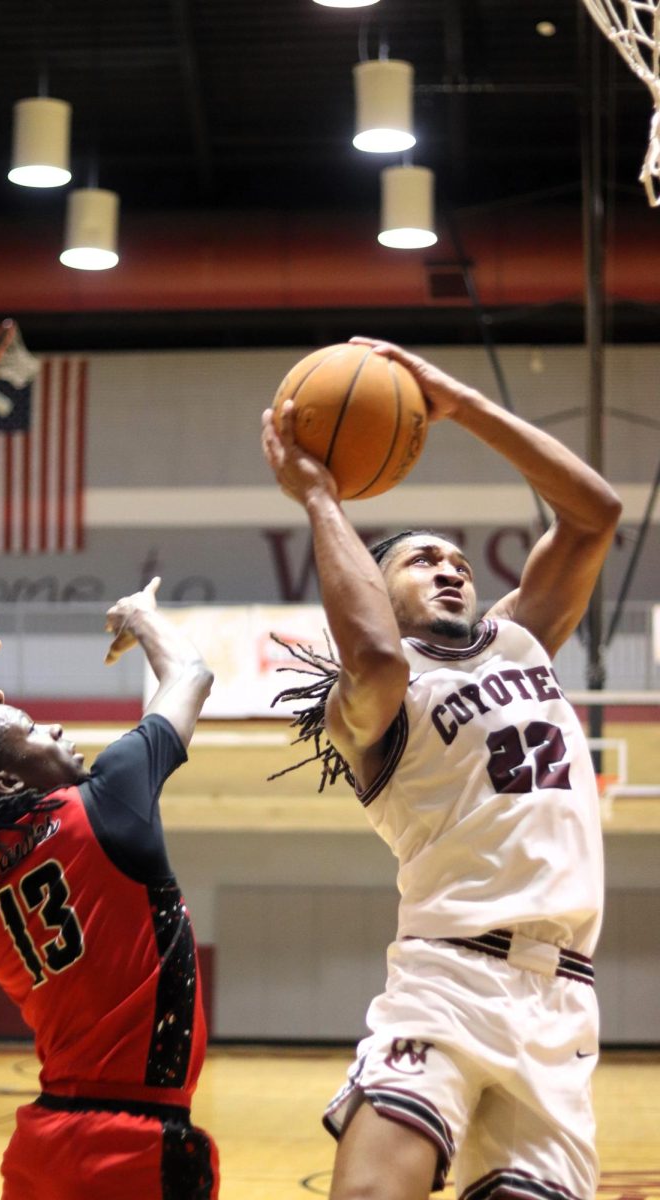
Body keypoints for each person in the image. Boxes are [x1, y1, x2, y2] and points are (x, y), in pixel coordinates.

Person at [261, 338, 622, 1200]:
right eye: (423, 562)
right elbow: (376, 658)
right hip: (446, 981)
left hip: (562, 1000)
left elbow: (595, 513)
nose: (452, 570)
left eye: (459, 560)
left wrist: (459, 403)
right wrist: (318, 496)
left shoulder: (521, 637)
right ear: (375, 591)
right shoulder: (367, 704)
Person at [0, 577, 219, 1200]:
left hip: (43, 1146)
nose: (54, 727)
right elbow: (190, 673)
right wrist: (141, 615)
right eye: (31, 727)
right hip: (136, 1145)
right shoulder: (109, 797)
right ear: (4, 782)